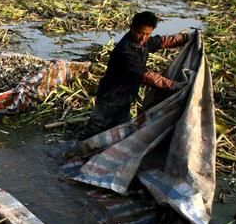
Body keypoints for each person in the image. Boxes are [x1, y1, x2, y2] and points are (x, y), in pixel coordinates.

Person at [66, 11, 191, 157]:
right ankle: (75, 154)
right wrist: (174, 86)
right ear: (132, 28)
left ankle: (101, 155)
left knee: (120, 128)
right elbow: (144, 75)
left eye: (147, 34)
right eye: (140, 33)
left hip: (126, 95)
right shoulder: (125, 50)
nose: (143, 37)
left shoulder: (143, 43)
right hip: (110, 96)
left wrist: (184, 38)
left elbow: (161, 41)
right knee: (96, 127)